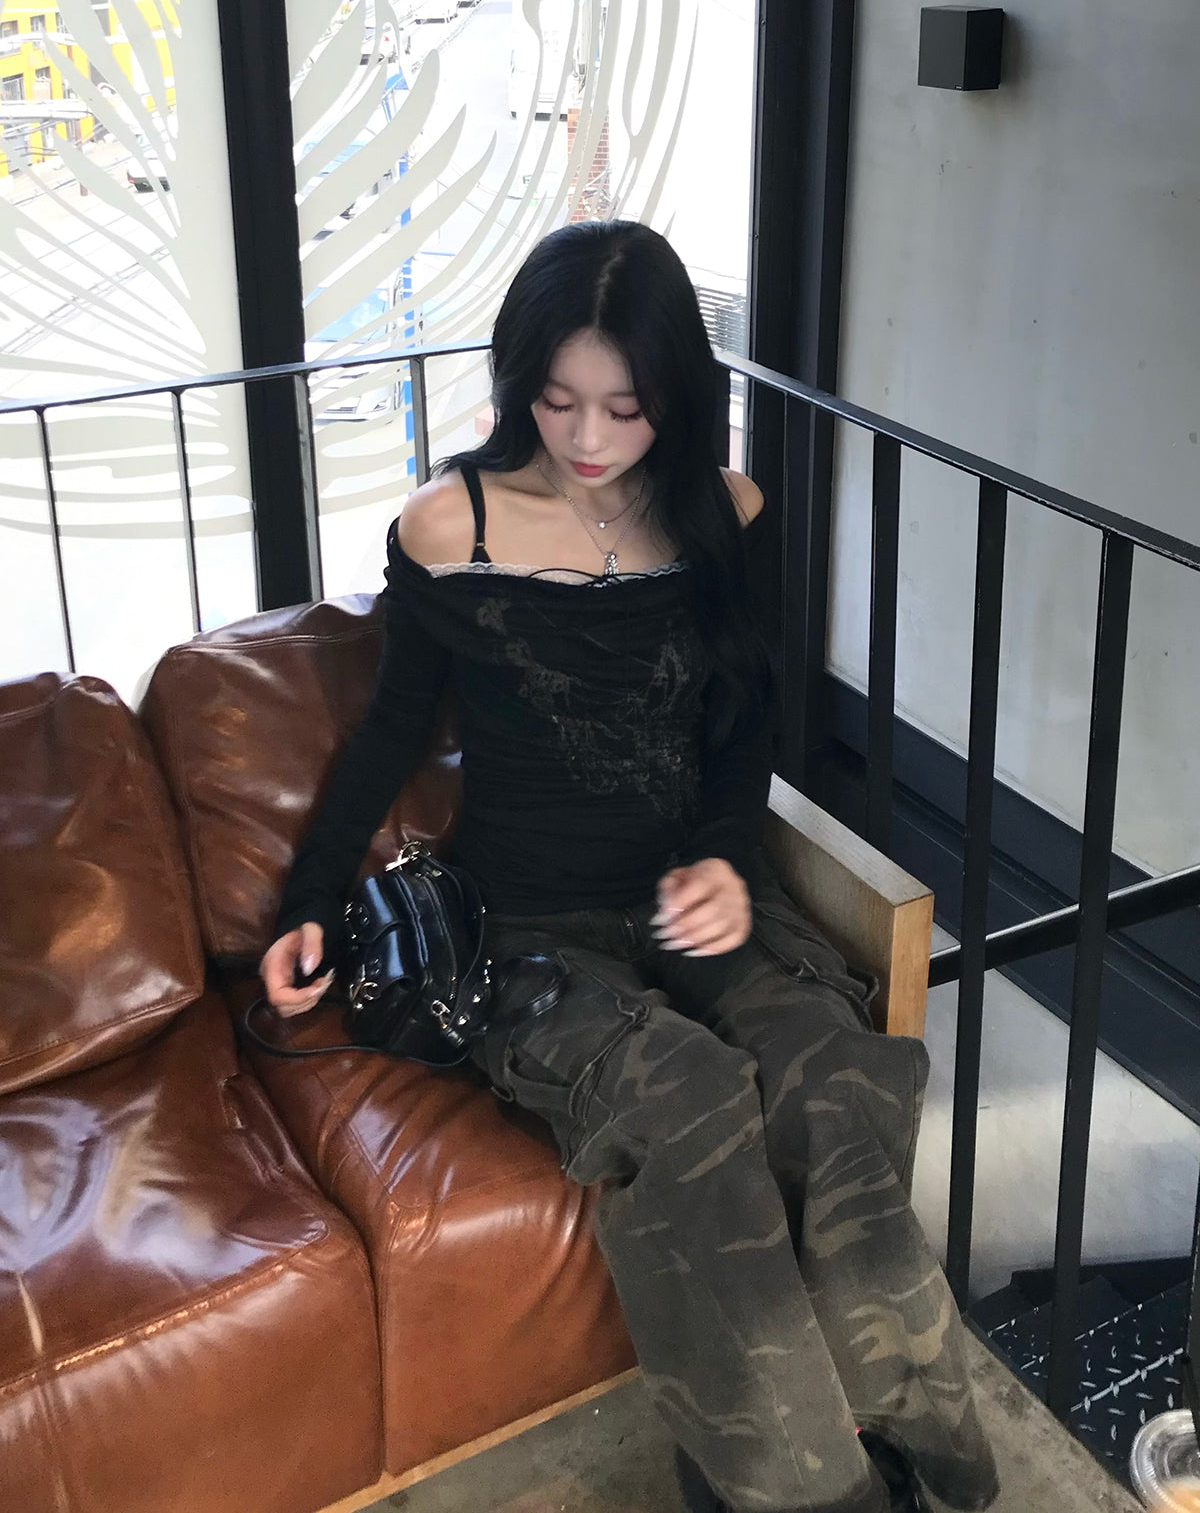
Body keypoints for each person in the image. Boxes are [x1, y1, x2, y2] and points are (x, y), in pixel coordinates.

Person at [259, 220, 998, 1513]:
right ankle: (805, 1491)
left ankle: (912, 1443)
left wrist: (721, 854)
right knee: (691, 1101)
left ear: (675, 395)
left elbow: (744, 720)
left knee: (835, 1074)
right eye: (557, 401)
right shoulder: (452, 525)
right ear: (519, 382)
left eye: (626, 407)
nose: (589, 438)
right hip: (532, 928)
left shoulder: (724, 513)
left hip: (692, 900)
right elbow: (391, 733)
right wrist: (309, 898)